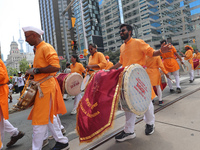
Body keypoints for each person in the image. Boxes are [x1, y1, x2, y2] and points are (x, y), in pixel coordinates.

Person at [109, 24, 172, 142]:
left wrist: (160, 51)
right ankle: (129, 131)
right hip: (127, 79)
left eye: (123, 30)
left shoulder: (138, 42)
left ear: (130, 31)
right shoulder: (122, 47)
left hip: (139, 77)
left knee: (146, 102)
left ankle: (150, 123)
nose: (121, 32)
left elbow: (151, 52)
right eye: (120, 31)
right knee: (129, 104)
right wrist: (110, 69)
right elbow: (121, 62)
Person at [22, 26, 69, 150]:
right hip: (42, 87)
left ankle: (36, 148)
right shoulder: (38, 49)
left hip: (46, 88)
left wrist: (36, 70)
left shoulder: (46, 47)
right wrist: (32, 73)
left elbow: (55, 66)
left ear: (34, 35)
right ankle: (62, 141)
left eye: (27, 36)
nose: (26, 40)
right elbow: (43, 70)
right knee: (48, 117)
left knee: (39, 120)